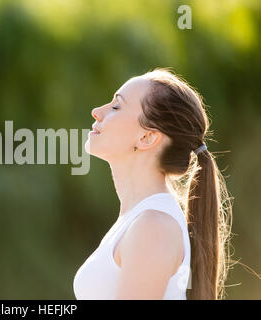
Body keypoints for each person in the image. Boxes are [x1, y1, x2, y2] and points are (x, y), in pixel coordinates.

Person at [73, 68, 233, 300]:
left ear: (147, 137)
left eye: (116, 106)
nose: (97, 112)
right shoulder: (140, 220)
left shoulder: (153, 226)